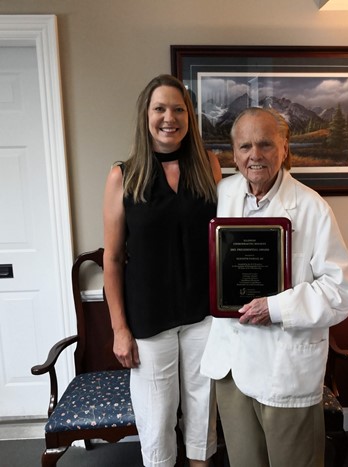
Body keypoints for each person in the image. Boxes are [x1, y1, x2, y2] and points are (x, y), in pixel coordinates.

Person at [200, 107, 348, 467]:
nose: (254, 155)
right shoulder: (222, 195)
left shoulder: (312, 208)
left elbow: (342, 290)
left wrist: (275, 307)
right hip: (231, 368)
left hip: (284, 369)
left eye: (265, 144)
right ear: (233, 152)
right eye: (245, 146)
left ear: (284, 148)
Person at [103, 74, 222, 467]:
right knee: (156, 423)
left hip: (203, 316)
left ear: (189, 117)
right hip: (149, 321)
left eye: (178, 109)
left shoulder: (208, 166)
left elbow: (222, 240)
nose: (169, 118)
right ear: (146, 115)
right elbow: (112, 259)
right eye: (160, 109)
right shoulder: (124, 175)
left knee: (203, 416)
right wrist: (120, 329)